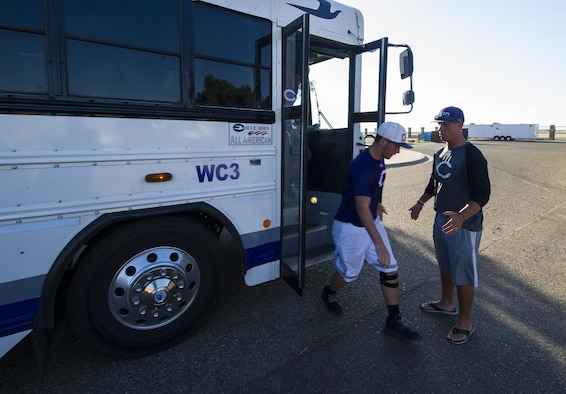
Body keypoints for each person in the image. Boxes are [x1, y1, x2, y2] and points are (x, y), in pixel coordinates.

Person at [321, 121, 421, 341]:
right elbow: (360, 207)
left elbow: (367, 198)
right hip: (351, 228)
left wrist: (376, 204)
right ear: (383, 141)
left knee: (390, 267)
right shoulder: (363, 166)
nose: (398, 150)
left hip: (369, 219)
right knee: (349, 275)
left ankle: (393, 320)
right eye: (396, 146)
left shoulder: (379, 160)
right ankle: (329, 292)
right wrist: (379, 243)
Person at [409, 106, 490, 345]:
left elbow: (482, 195)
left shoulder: (473, 155)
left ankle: (465, 321)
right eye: (439, 124)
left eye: (445, 125)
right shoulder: (440, 153)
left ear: (460, 124)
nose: (440, 129)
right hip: (442, 220)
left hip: (465, 224)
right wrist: (420, 203)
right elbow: (435, 182)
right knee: (445, 264)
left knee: (464, 271)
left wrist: (462, 217)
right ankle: (446, 303)